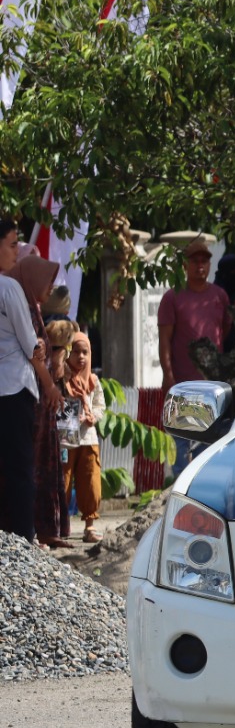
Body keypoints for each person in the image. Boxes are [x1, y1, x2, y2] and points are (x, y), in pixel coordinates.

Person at [9, 255, 68, 547]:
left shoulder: (32, 307)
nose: (50, 287)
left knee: (35, 466)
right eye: (47, 281)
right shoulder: (15, 299)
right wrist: (50, 386)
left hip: (33, 399)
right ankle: (26, 533)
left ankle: (41, 532)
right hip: (23, 397)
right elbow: (32, 352)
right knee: (24, 467)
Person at [158, 238, 232, 470]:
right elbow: (165, 340)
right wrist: (168, 376)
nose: (200, 265)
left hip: (213, 386)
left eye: (204, 261)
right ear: (185, 265)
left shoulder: (219, 296)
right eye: (195, 261)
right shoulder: (173, 297)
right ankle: (178, 488)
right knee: (181, 442)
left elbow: (225, 330)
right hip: (183, 386)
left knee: (209, 442)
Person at [0, 217, 41, 540]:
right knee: (19, 470)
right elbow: (30, 345)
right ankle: (23, 543)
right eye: (12, 244)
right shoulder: (9, 287)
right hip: (14, 388)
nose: (17, 252)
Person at [59, 331, 103, 543]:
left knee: (90, 482)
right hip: (65, 440)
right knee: (63, 482)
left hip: (88, 439)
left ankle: (90, 526)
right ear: (67, 354)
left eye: (85, 352)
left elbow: (100, 406)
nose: (80, 357)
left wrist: (93, 415)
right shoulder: (61, 379)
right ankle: (59, 526)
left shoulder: (93, 380)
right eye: (75, 351)